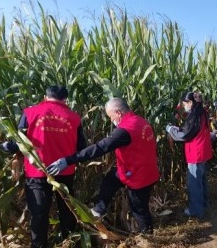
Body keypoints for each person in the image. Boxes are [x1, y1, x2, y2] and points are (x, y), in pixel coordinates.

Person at [1, 85, 87, 248]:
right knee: (67, 210)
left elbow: (20, 142)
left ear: (45, 96)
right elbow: (82, 147)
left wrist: (7, 147)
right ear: (65, 99)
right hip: (65, 171)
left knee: (39, 213)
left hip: (37, 172)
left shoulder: (30, 113)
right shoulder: (74, 118)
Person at [48, 97, 160, 234]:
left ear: (118, 113)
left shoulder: (125, 129)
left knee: (138, 208)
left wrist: (67, 161)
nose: (111, 120)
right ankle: (99, 209)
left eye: (111, 116)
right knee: (111, 178)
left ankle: (148, 236)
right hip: (143, 170)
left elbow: (99, 148)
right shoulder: (140, 121)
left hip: (138, 176)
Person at [166, 91, 213, 218]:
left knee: (194, 183)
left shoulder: (195, 116)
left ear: (190, 102)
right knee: (201, 180)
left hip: (196, 153)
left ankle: (196, 210)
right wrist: (178, 128)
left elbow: (185, 135)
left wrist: (170, 129)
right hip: (203, 151)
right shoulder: (202, 112)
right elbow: (190, 129)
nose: (183, 106)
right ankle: (204, 204)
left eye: (184, 103)